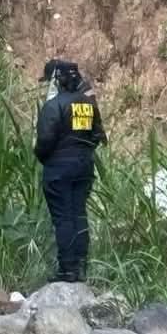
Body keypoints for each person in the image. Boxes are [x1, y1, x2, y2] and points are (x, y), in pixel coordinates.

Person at [34, 59, 107, 282]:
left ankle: (67, 269)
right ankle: (81, 267)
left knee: (63, 218)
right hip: (84, 165)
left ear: (57, 81)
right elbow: (98, 135)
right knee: (79, 215)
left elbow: (45, 141)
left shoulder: (53, 106)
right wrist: (81, 152)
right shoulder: (87, 104)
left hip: (59, 168)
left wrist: (44, 158)